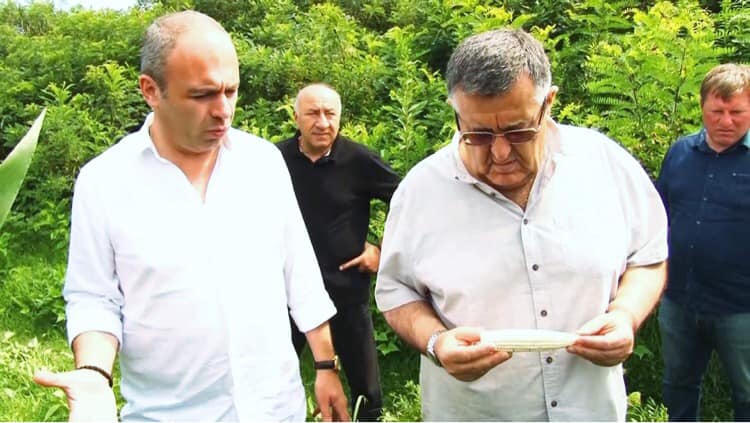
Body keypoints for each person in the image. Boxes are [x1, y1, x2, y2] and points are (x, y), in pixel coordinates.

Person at [32, 11, 349, 422]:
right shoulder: (105, 182)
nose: (223, 111)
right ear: (151, 90)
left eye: (231, 91)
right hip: (168, 414)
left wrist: (325, 365)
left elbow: (299, 271)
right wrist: (93, 374)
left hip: (275, 409)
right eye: (202, 96)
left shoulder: (263, 163)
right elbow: (94, 297)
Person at [374, 28, 668, 421]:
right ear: (456, 113)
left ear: (549, 102)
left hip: (589, 409)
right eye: (478, 134)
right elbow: (395, 290)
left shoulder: (604, 165)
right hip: (474, 413)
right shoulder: (421, 191)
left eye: (518, 131)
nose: (500, 152)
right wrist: (435, 342)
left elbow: (648, 256)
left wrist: (626, 315)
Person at [276, 83, 400, 421]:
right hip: (286, 294)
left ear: (340, 117)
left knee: (367, 393)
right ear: (296, 117)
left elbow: (409, 202)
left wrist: (383, 251)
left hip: (346, 291)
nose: (322, 122)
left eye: (330, 114)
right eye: (313, 113)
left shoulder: (359, 160)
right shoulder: (275, 161)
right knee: (271, 383)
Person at [656, 63, 750, 421]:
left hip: (741, 306)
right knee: (677, 387)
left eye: (737, 112)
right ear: (702, 107)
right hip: (680, 300)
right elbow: (659, 217)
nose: (726, 121)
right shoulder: (680, 153)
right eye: (717, 111)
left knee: (747, 392)